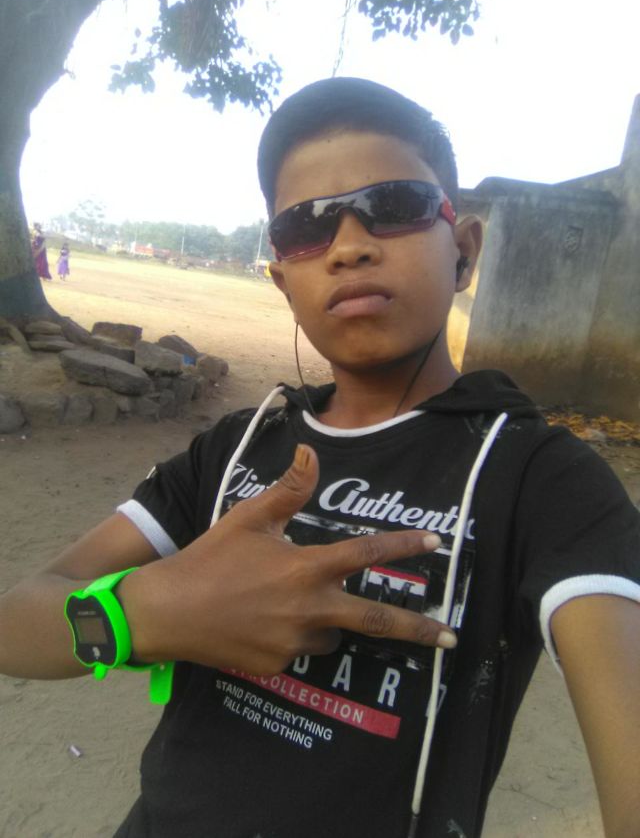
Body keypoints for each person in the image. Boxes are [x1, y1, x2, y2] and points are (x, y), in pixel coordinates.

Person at [1, 78, 639, 838]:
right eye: (307, 227)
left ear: (464, 251)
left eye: (394, 205)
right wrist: (148, 612)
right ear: (283, 280)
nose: (349, 246)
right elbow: (17, 622)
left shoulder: (541, 479)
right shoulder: (235, 447)